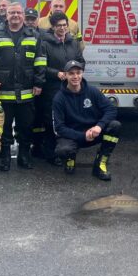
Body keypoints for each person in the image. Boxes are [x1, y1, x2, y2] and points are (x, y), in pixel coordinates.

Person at [0, 2, 46, 170]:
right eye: (12, 13)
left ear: (23, 15)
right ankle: (6, 157)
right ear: (6, 15)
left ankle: (24, 155)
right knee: (4, 126)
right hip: (3, 92)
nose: (15, 15)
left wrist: (39, 82)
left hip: (27, 91)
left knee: (26, 126)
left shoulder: (34, 35)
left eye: (18, 12)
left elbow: (40, 61)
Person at [52, 60, 121, 180]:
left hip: (94, 133)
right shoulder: (59, 99)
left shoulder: (92, 91)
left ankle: (100, 164)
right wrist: (82, 136)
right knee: (63, 150)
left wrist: (99, 126)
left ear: (82, 73)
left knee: (115, 126)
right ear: (65, 75)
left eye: (78, 73)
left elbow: (111, 109)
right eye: (71, 73)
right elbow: (59, 127)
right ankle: (70, 158)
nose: (75, 76)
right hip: (74, 136)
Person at [37, 11, 84, 163]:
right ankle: (52, 153)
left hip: (70, 89)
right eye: (59, 26)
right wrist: (56, 73)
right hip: (52, 88)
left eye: (65, 25)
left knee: (69, 119)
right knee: (52, 121)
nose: (62, 28)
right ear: (53, 27)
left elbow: (81, 61)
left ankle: (68, 150)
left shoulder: (73, 43)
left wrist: (74, 70)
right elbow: (41, 66)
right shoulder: (44, 43)